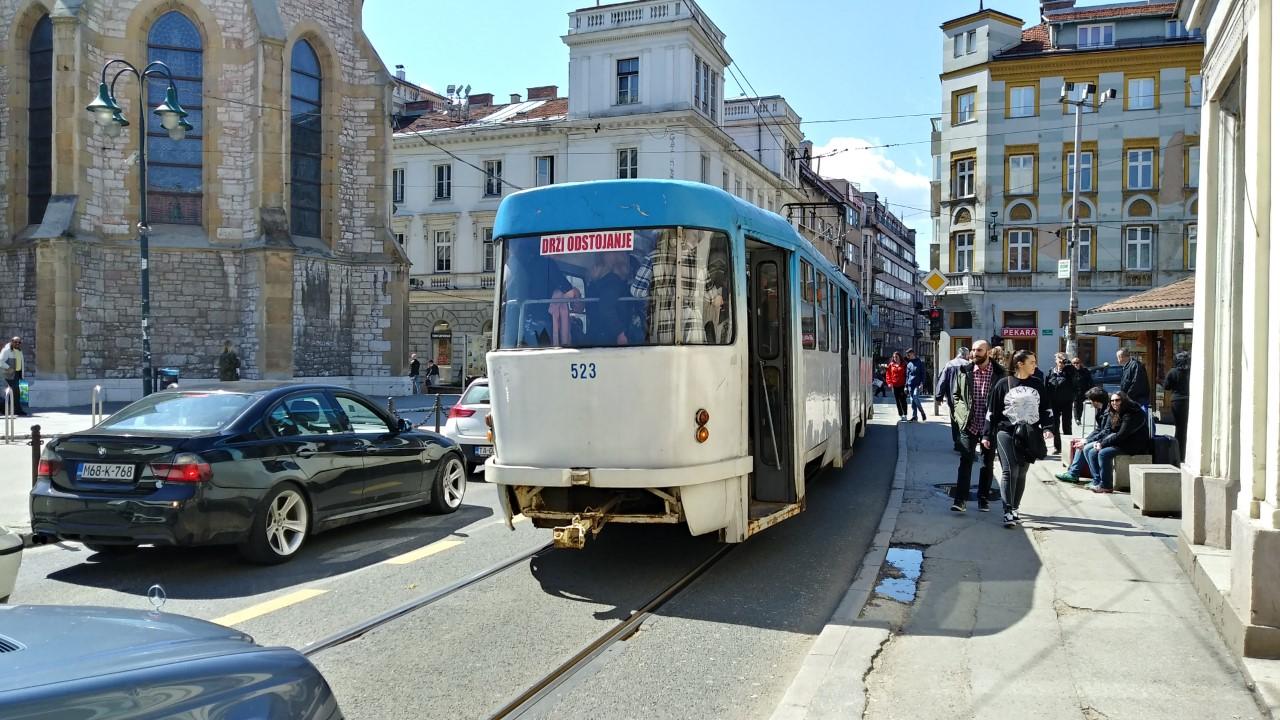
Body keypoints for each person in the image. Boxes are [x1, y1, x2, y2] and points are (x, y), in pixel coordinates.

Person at [986, 349, 1054, 527]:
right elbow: (991, 412)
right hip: (1006, 432)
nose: (1035, 365)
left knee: (1022, 472)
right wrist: (986, 434)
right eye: (1031, 362)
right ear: (1020, 364)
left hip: (1030, 433)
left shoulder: (1038, 384)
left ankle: (1015, 508)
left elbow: (1046, 408)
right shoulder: (1003, 384)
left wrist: (1048, 428)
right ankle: (1008, 510)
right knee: (1010, 470)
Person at [951, 340, 1004, 513]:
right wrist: (960, 416)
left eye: (979, 350)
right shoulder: (965, 371)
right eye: (973, 350)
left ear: (988, 352)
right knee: (965, 460)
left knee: (987, 464)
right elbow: (956, 395)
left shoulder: (999, 373)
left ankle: (983, 498)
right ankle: (960, 500)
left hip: (990, 427)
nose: (974, 353)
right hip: (969, 424)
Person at [502, 239, 578, 347]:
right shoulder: (548, 264)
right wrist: (575, 292)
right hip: (541, 325)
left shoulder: (514, 265)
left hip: (518, 324)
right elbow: (570, 293)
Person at [1080, 390, 1151, 493]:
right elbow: (1110, 431)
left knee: (1104, 453)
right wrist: (1099, 442)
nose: (1114, 403)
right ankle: (1097, 481)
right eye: (1112, 401)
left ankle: (1106, 485)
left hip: (1134, 445)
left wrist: (1102, 444)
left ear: (1124, 400)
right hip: (1123, 441)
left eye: (1117, 400)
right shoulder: (1116, 412)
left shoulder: (1132, 413)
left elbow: (1122, 434)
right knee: (1091, 451)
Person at [1056, 386, 1111, 483]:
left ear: (1096, 400)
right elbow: (1098, 429)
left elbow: (1106, 431)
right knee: (1082, 443)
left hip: (1108, 438)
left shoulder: (1109, 411)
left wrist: (1087, 441)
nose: (1090, 403)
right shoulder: (1101, 409)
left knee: (1085, 447)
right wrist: (1085, 439)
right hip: (1103, 437)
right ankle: (1073, 473)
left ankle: (1079, 475)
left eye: (1091, 400)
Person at [586, 252, 634, 346]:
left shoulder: (597, 283)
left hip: (596, 333)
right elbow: (606, 307)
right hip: (610, 337)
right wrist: (620, 332)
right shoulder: (613, 282)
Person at [937, 347, 971, 452]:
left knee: (954, 419)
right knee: (965, 420)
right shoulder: (969, 364)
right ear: (966, 355)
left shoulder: (949, 364)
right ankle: (964, 442)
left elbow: (942, 381)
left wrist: (939, 396)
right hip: (966, 398)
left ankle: (957, 442)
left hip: (952, 398)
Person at [1045, 352, 1077, 453]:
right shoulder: (1051, 372)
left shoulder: (1069, 371)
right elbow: (1046, 388)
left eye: (1063, 361)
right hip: (1054, 403)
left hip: (1067, 402)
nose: (1061, 363)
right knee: (1055, 425)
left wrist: (1067, 362)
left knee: (1067, 425)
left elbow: (1074, 373)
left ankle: (1069, 447)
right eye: (1059, 361)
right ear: (1055, 361)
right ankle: (1058, 447)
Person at [1164, 351, 1191, 462]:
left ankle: (1178, 454)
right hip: (1189, 400)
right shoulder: (1191, 372)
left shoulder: (1173, 372)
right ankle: (1187, 452)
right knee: (1188, 428)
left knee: (1179, 428)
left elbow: (1167, 386)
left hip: (1177, 401)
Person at [0, 336, 28, 416]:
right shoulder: (6, 350)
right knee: (15, 392)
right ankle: (17, 410)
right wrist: (8, 368)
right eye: (15, 342)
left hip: (17, 374)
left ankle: (8, 409)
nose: (17, 344)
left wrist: (21, 374)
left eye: (19, 342)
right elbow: (0, 361)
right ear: (11, 341)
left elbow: (21, 363)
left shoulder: (19, 350)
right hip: (9, 374)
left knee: (15, 392)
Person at [1071, 357, 1094, 428]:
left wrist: (1091, 390)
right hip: (1074, 392)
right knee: (1075, 405)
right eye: (1074, 363)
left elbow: (1090, 381)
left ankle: (1079, 418)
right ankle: (1077, 419)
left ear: (1080, 363)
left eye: (1077, 363)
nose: (1076, 364)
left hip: (1083, 391)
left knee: (1080, 406)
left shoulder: (1085, 371)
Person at [905, 349, 928, 422]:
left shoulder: (920, 362)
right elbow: (907, 376)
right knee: (912, 401)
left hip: (917, 384)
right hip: (910, 384)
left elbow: (923, 374)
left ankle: (922, 412)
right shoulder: (909, 364)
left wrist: (922, 383)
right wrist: (905, 386)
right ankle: (914, 416)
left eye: (909, 354)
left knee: (915, 397)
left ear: (913, 353)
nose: (908, 356)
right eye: (907, 355)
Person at [885, 352, 908, 420]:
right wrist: (889, 382)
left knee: (903, 400)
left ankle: (905, 414)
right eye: (894, 357)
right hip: (894, 385)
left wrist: (906, 385)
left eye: (896, 357)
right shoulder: (891, 365)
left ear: (899, 357)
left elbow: (907, 374)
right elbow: (888, 374)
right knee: (897, 400)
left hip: (902, 385)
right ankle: (900, 415)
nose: (895, 358)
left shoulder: (904, 364)